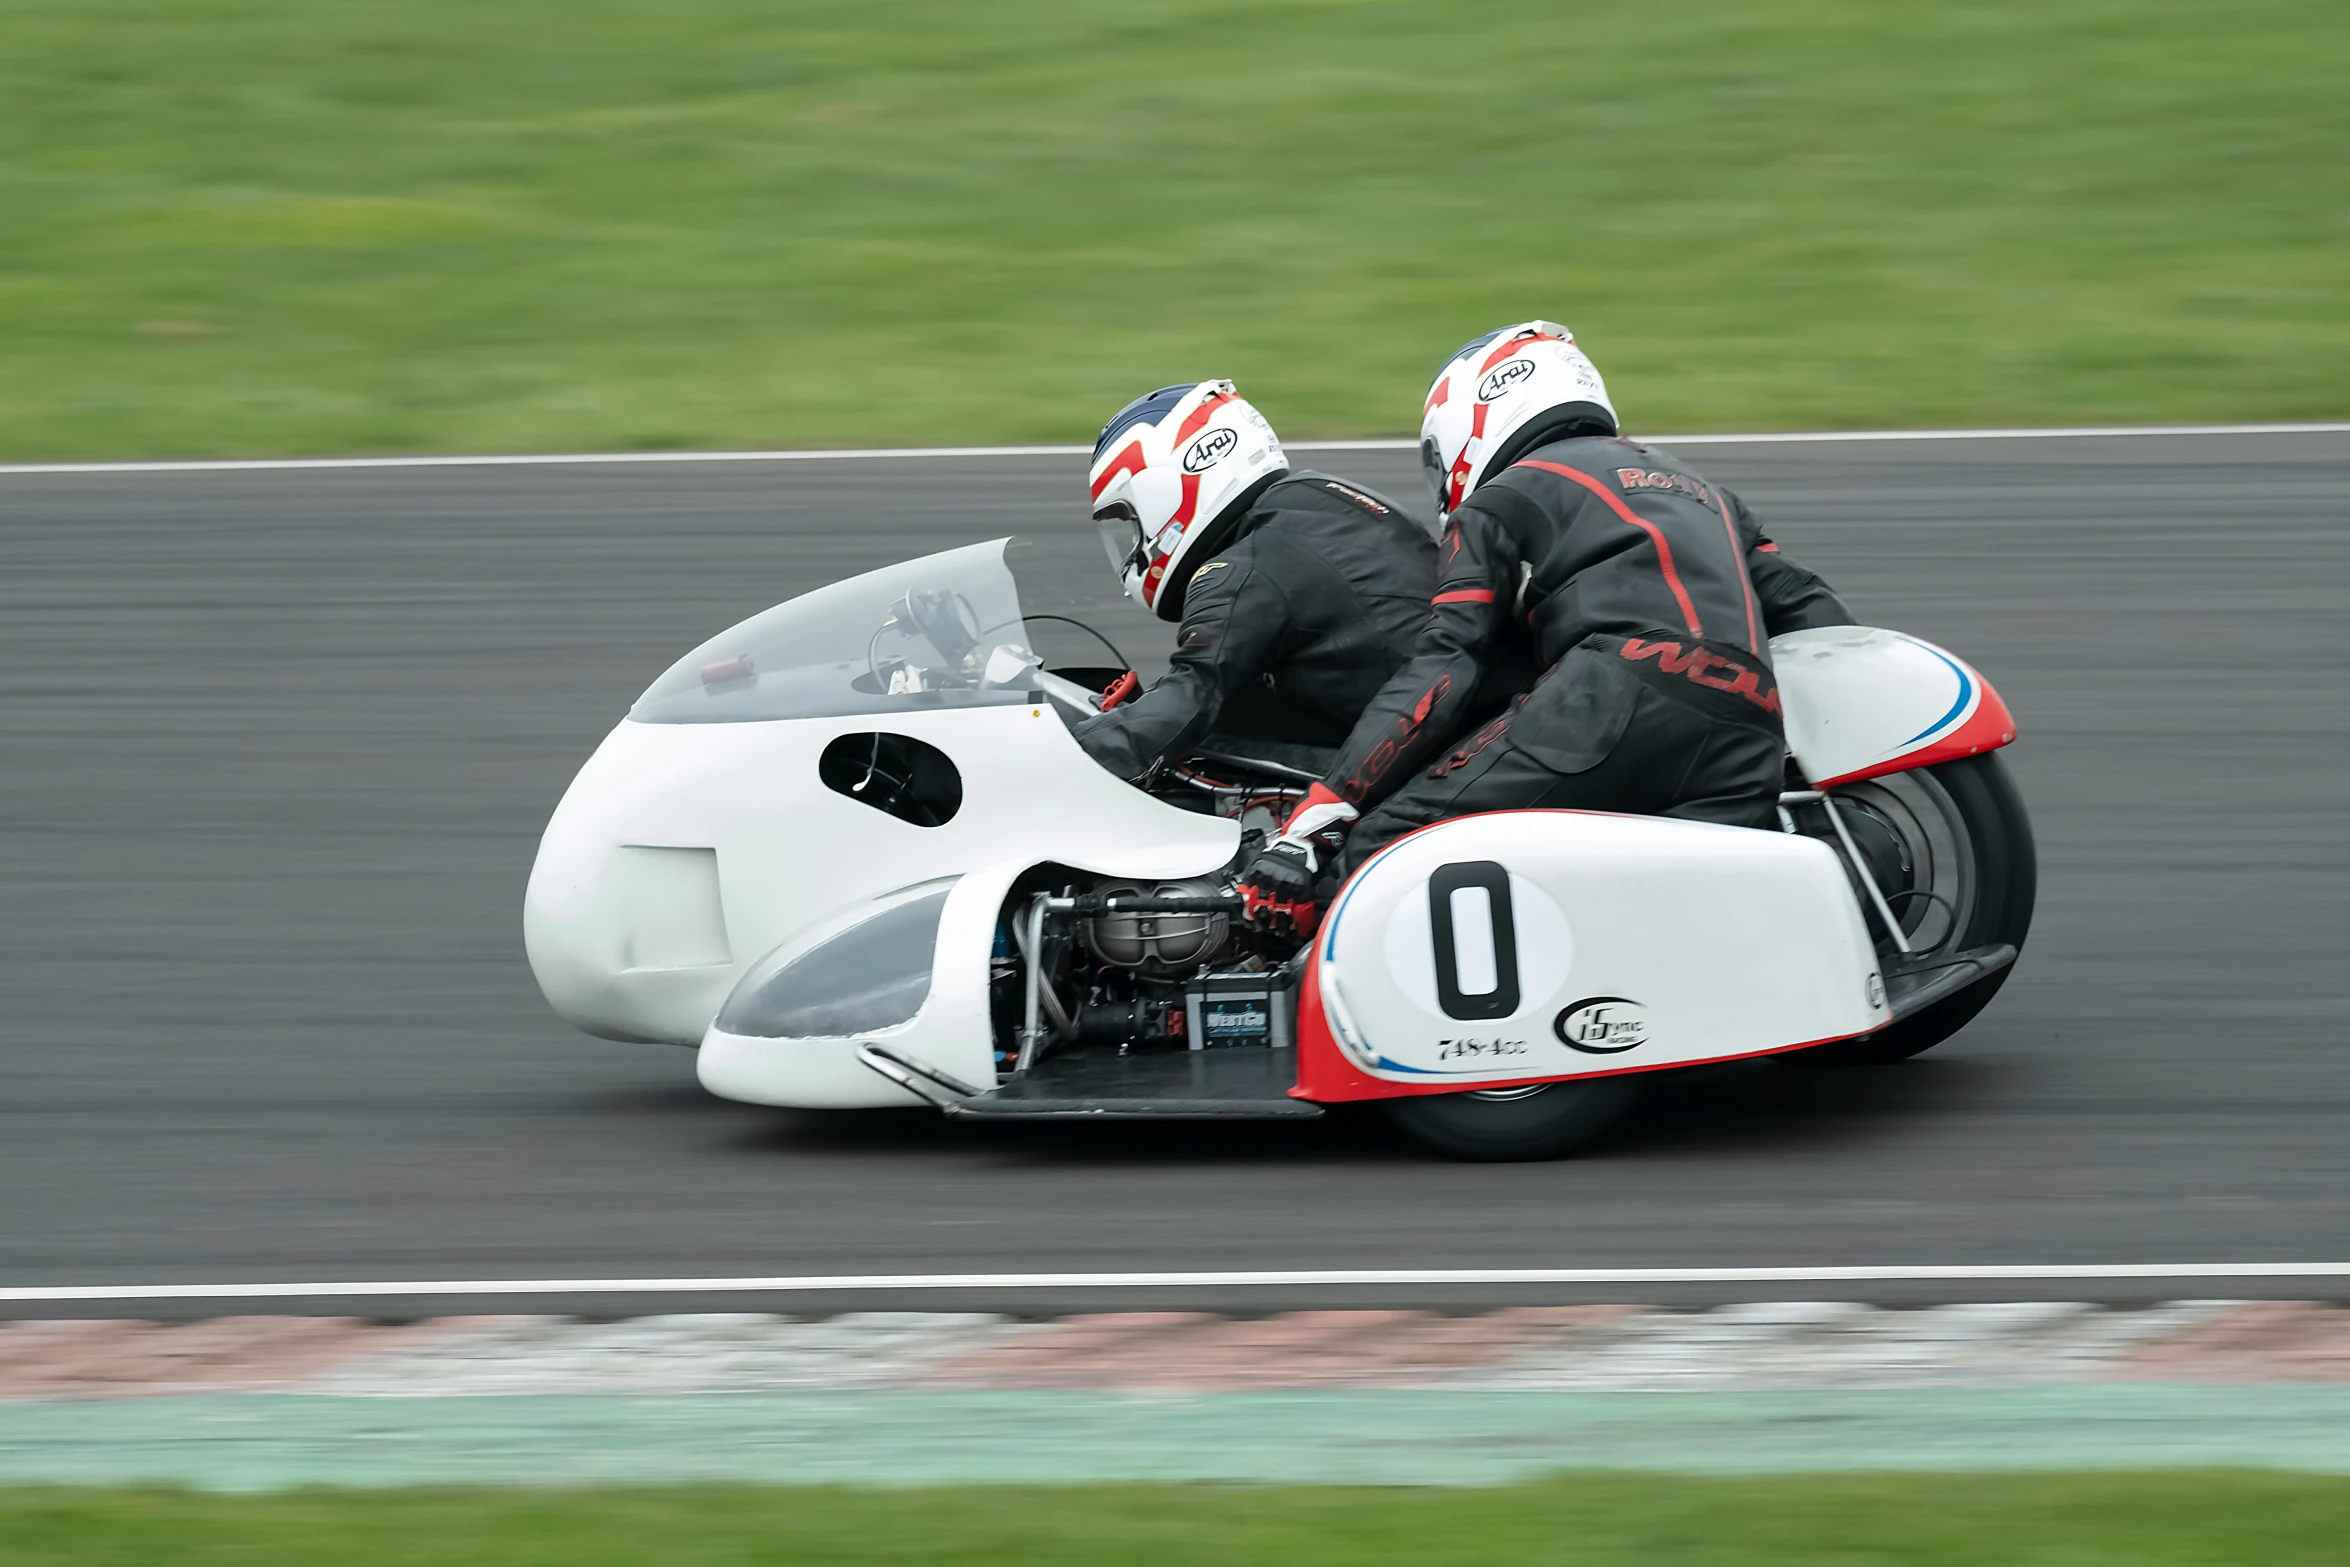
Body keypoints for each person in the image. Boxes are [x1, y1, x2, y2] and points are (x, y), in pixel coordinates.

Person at [1236, 322, 1854, 934]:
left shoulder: (1500, 500)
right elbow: (1808, 606)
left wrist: (1328, 809)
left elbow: (1445, 663)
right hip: (1749, 721)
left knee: (1381, 854)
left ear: (1476, 418)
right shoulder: (1708, 492)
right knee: (1674, 926)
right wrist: (1821, 755)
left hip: (1610, 700)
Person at [1072, 379, 1443, 781]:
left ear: (1163, 490)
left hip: (1431, 761)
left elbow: (1187, 702)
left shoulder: (1245, 567)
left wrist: (1059, 757)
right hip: (1456, 713)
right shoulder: (1317, 499)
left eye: (1132, 518)